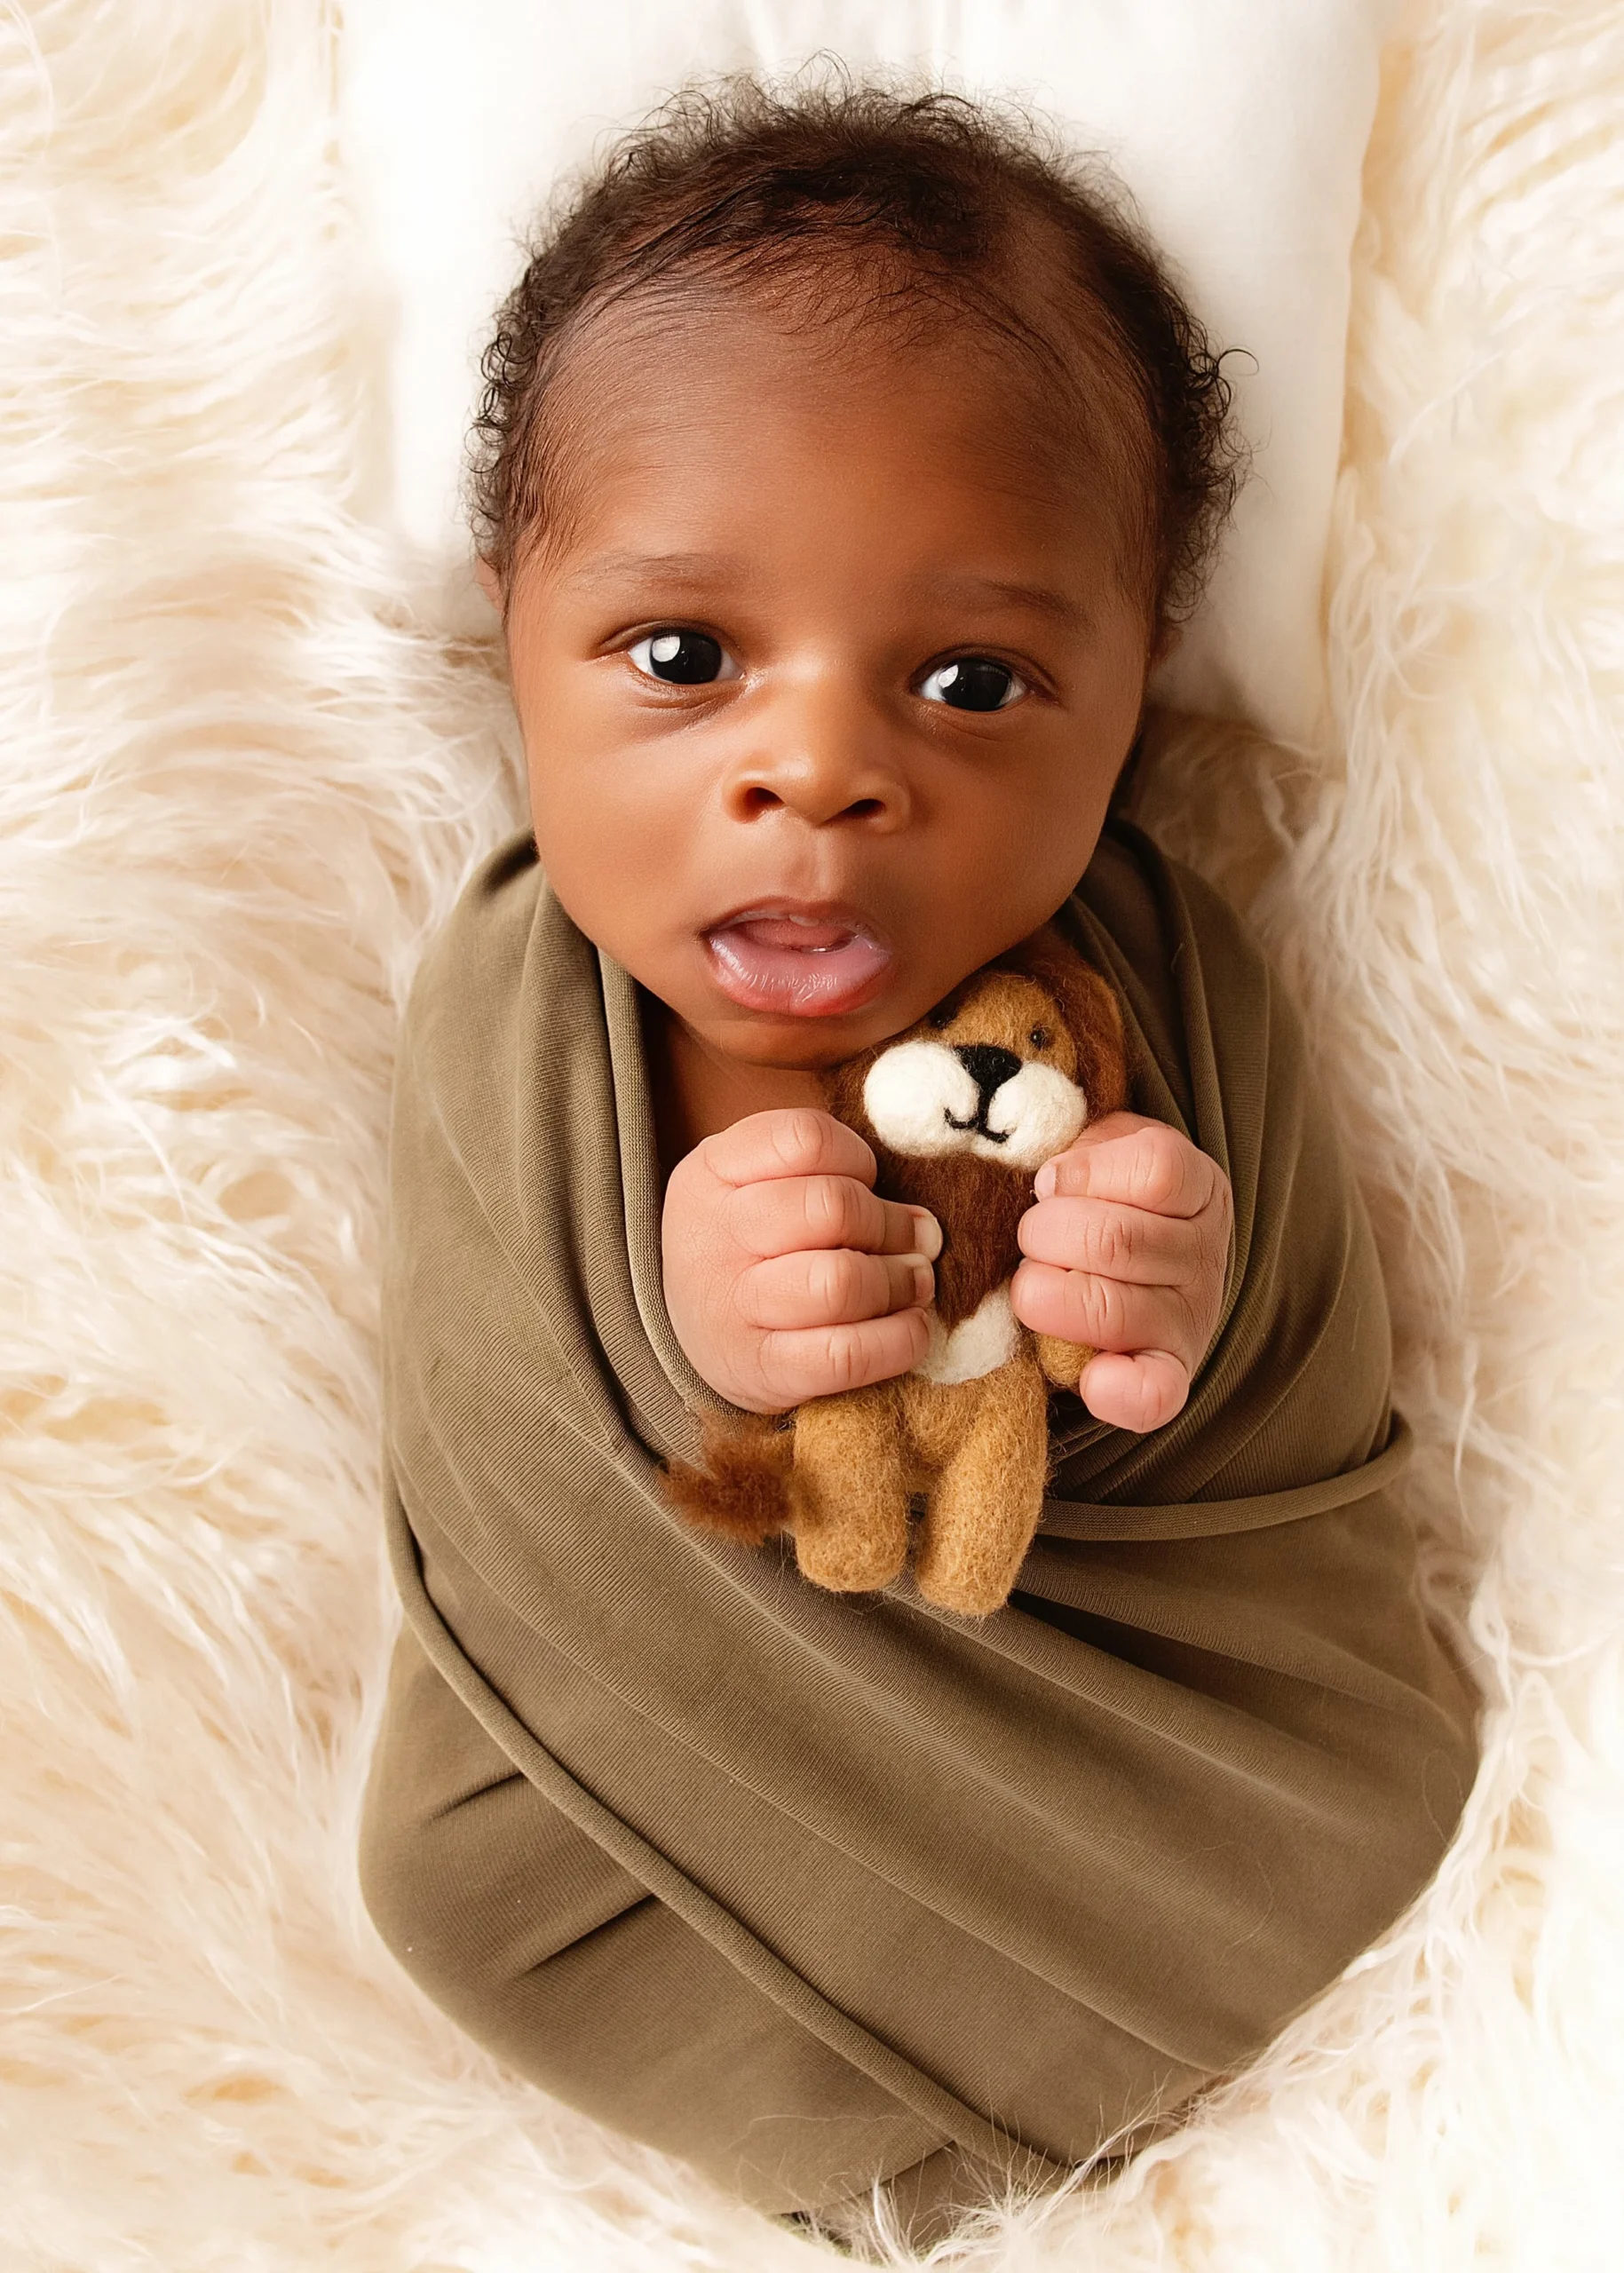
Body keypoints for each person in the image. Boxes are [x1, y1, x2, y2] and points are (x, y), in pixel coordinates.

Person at [360, 78, 1477, 2254]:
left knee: (1359, 1801)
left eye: (971, 680)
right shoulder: (506, 1015)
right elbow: (503, 1411)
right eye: (681, 658)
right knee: (445, 1875)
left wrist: (1168, 1301)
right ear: (512, 625)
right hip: (657, 1784)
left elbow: (1285, 1409)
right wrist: (684, 1316)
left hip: (1148, 1749)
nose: (817, 768)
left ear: (1133, 681)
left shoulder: (1157, 971)